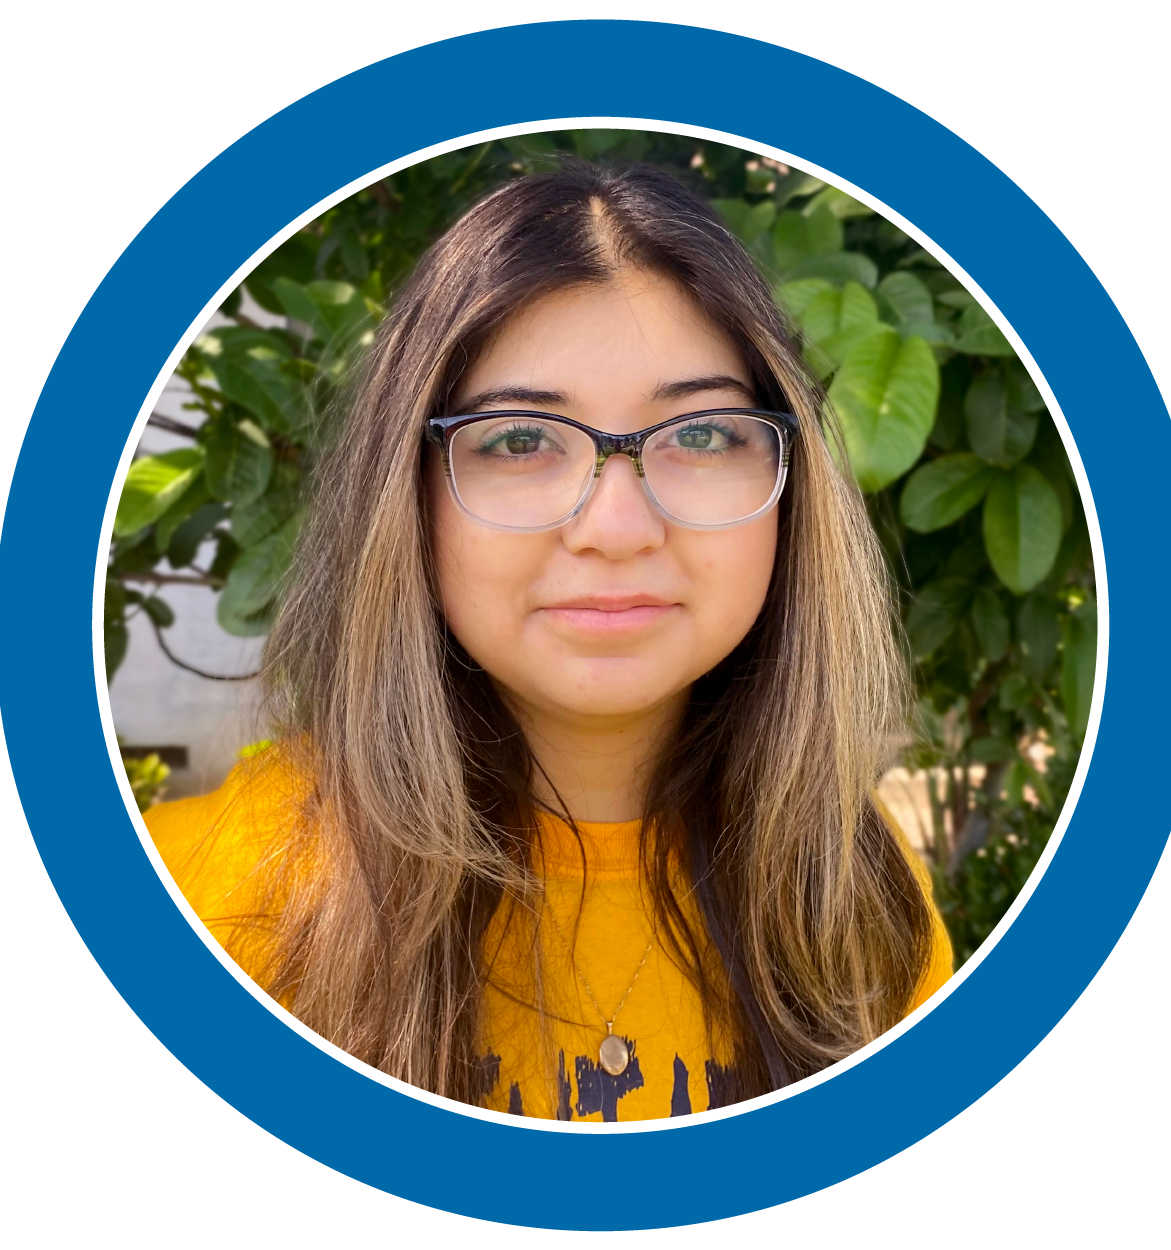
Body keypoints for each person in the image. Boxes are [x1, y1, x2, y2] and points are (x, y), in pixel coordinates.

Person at [145, 159, 953, 1123]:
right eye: (520, 440)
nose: (614, 528)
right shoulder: (203, 899)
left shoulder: (854, 894)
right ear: (409, 496)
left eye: (699, 437)